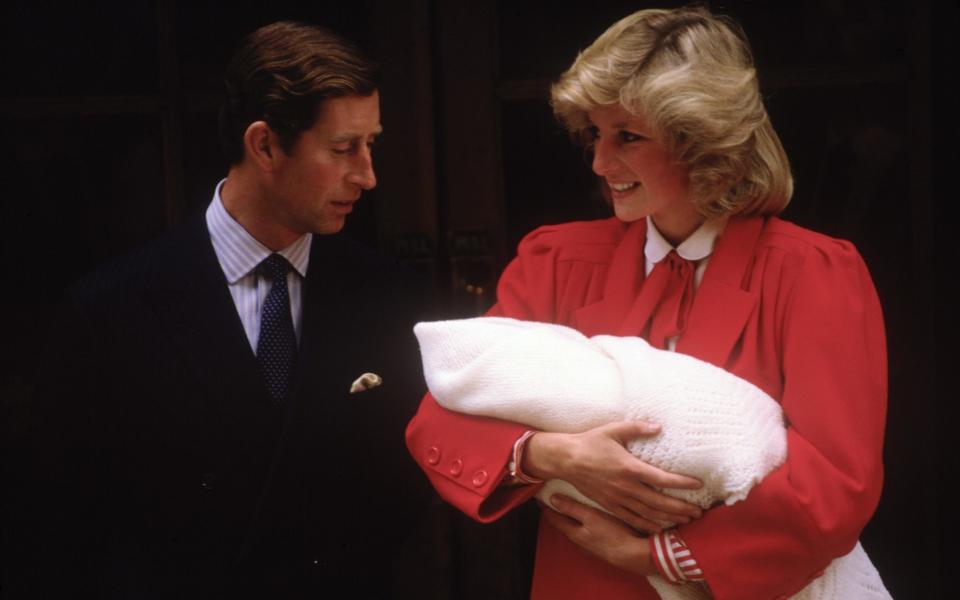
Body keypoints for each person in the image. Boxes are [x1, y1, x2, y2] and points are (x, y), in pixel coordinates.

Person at [406, 6, 886, 599]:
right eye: (595, 135)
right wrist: (553, 456)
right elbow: (440, 413)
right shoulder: (555, 261)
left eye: (628, 137)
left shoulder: (812, 273)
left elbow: (838, 484)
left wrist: (653, 555)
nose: (601, 163)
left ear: (701, 137)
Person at [11, 21, 431, 598]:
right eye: (342, 149)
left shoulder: (392, 297)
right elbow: (58, 531)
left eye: (370, 144)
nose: (367, 174)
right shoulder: (107, 310)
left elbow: (407, 505)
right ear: (264, 145)